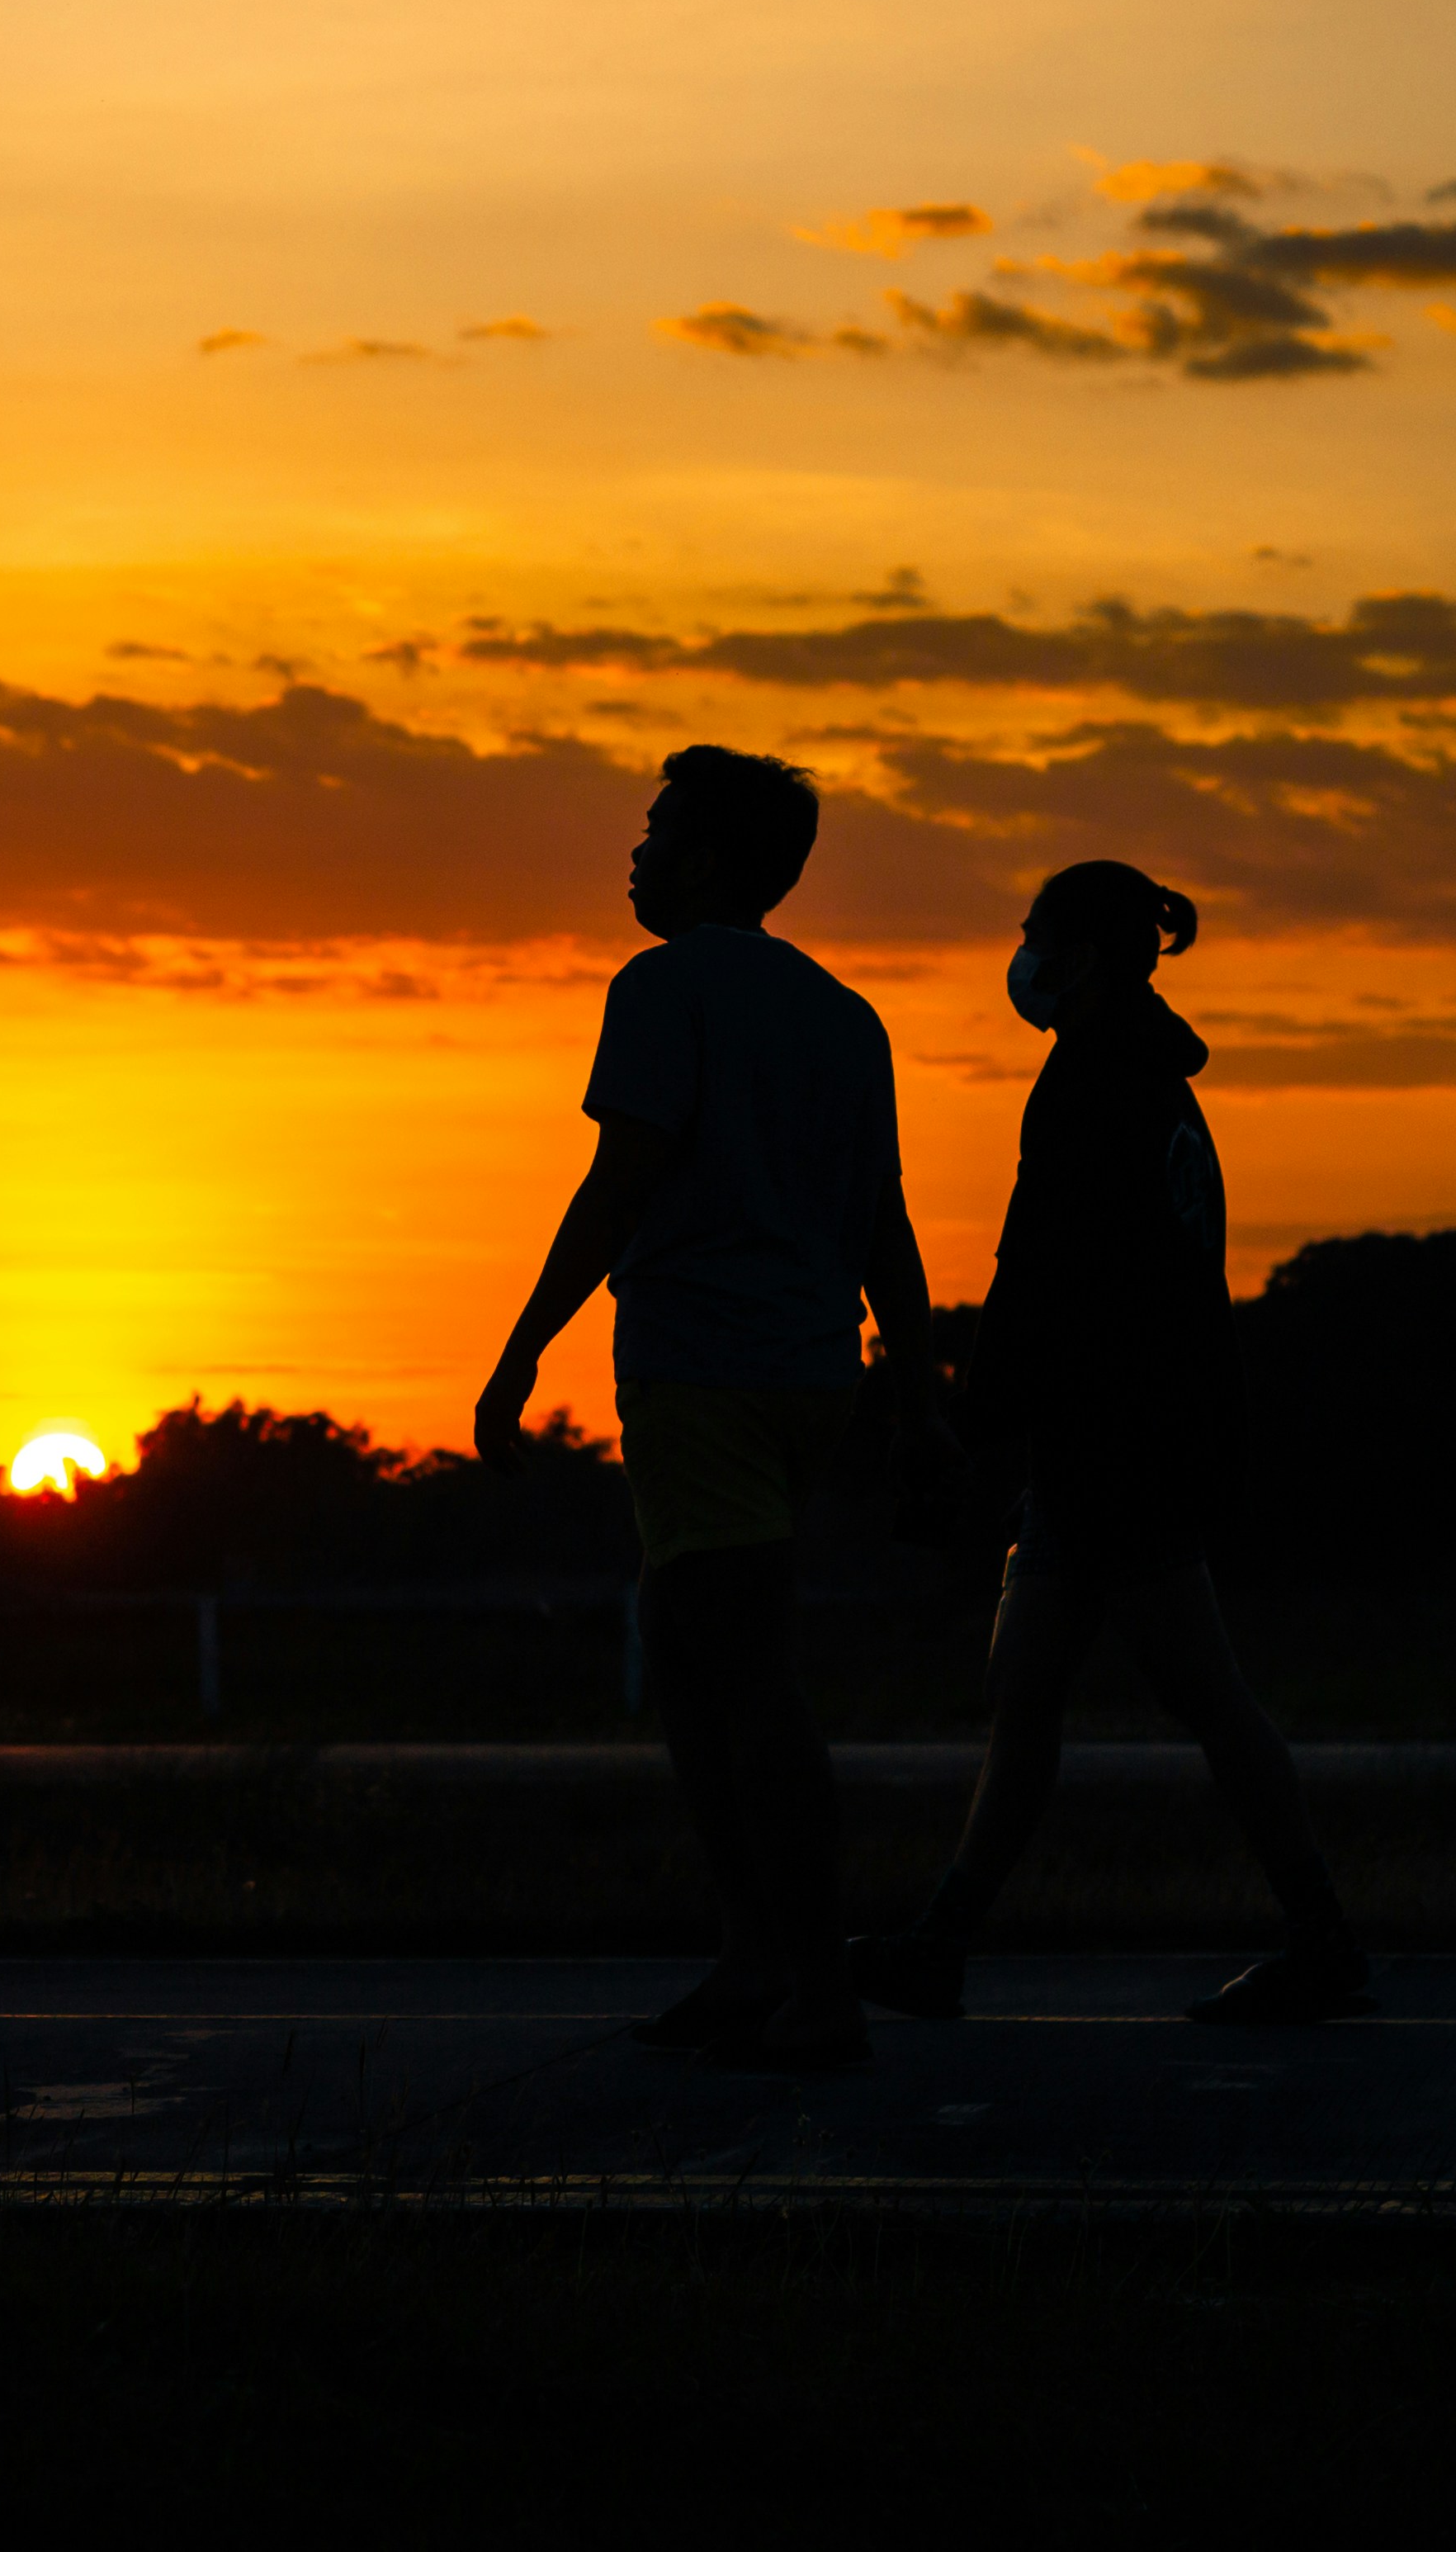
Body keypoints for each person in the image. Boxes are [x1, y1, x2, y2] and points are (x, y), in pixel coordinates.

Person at [476, 744, 948, 2071]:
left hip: (703, 1373)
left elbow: (621, 1180)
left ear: (718, 863)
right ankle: (756, 1962)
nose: (635, 853)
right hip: (810, 1375)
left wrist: (519, 1354)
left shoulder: (663, 986)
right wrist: (913, 1398)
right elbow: (886, 1228)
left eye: (660, 831)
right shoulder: (846, 1015)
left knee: (740, 1673)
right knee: (692, 1652)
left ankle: (810, 1983)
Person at [850, 861, 1371, 2027]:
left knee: (1179, 1693)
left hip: (1112, 1442)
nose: (1021, 957)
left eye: (1034, 934)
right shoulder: (1153, 1079)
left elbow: (1039, 1269)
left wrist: (963, 1418)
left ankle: (1322, 1939)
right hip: (1133, 1435)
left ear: (1082, 953)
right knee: (1030, 1685)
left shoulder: (1093, 1079)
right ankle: (944, 1939)